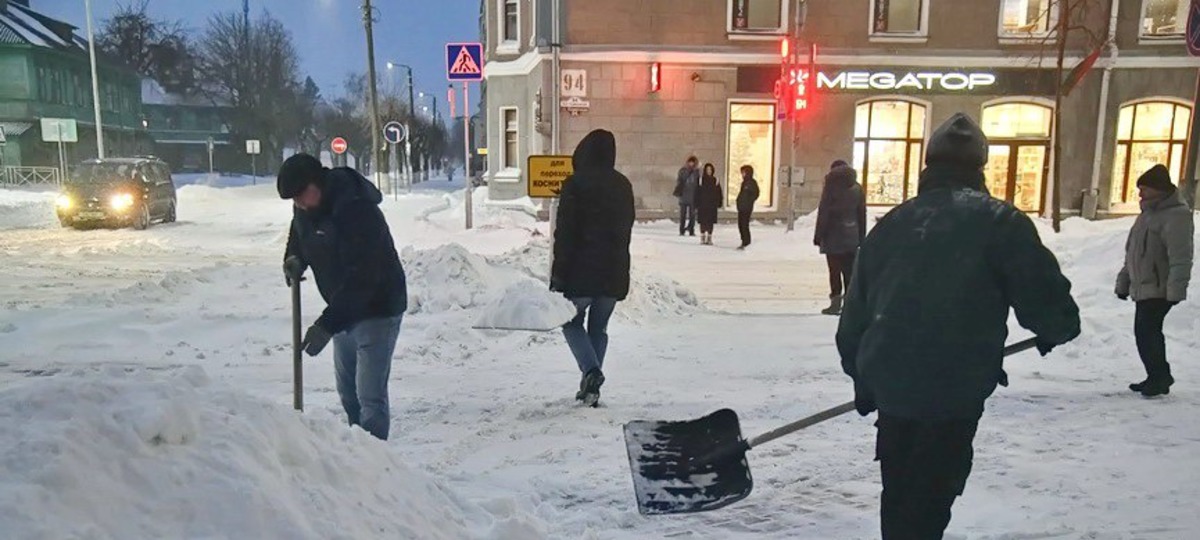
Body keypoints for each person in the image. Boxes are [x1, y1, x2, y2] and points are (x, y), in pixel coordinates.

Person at [836, 114, 1080, 539]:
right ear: (979, 167)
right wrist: (1055, 327)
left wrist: (863, 376)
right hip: (954, 388)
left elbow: (853, 319)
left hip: (894, 386)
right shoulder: (1001, 222)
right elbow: (1046, 300)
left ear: (928, 165)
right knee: (931, 496)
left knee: (899, 492)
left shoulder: (892, 224)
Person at [278, 153, 407, 441]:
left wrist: (326, 325)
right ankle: (354, 456)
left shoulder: (357, 209)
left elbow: (364, 278)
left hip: (378, 307)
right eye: (294, 200)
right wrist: (294, 258)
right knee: (348, 394)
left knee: (369, 397)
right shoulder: (306, 206)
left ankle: (374, 458)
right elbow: (299, 233)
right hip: (344, 309)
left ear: (318, 183)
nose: (299, 204)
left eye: (301, 196)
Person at [551, 129, 636, 407]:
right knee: (599, 328)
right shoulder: (623, 185)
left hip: (580, 273)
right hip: (613, 272)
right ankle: (591, 389)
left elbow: (565, 235)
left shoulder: (575, 184)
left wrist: (558, 276)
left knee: (570, 321)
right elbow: (626, 230)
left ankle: (591, 372)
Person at [1116, 164, 1194, 397]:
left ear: (1159, 189)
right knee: (1145, 332)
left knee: (1147, 331)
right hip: (1145, 286)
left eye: (1145, 189)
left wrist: (1176, 290)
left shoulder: (1177, 216)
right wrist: (1124, 282)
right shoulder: (1147, 215)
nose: (1140, 194)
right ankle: (1157, 376)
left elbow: (1181, 256)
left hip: (1160, 288)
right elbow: (1133, 253)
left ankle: (1159, 377)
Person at [814, 159, 867, 315]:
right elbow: (861, 214)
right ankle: (850, 305)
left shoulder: (831, 187)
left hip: (832, 236)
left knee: (834, 272)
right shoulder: (857, 188)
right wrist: (861, 236)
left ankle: (835, 303)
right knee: (849, 272)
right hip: (851, 235)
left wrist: (818, 235)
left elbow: (824, 212)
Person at [696, 163, 723, 245]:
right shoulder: (700, 180)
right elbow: (697, 192)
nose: (709, 171)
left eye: (710, 170)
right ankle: (703, 237)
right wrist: (696, 203)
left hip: (712, 204)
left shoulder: (716, 180)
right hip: (702, 204)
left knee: (710, 221)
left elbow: (719, 192)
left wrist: (719, 202)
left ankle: (709, 237)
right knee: (703, 221)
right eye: (707, 169)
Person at [735, 165, 760, 250]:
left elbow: (756, 194)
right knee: (741, 225)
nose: (742, 174)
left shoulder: (751, 183)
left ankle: (746, 242)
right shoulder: (744, 182)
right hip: (742, 207)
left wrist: (749, 201)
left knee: (744, 225)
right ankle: (743, 241)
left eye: (743, 172)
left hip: (747, 207)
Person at [674, 156, 700, 237]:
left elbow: (698, 183)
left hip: (693, 196)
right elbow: (680, 180)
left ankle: (691, 229)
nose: (691, 164)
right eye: (690, 162)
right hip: (684, 195)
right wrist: (689, 171)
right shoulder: (683, 170)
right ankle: (682, 230)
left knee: (693, 215)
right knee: (683, 215)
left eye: (693, 162)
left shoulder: (697, 172)